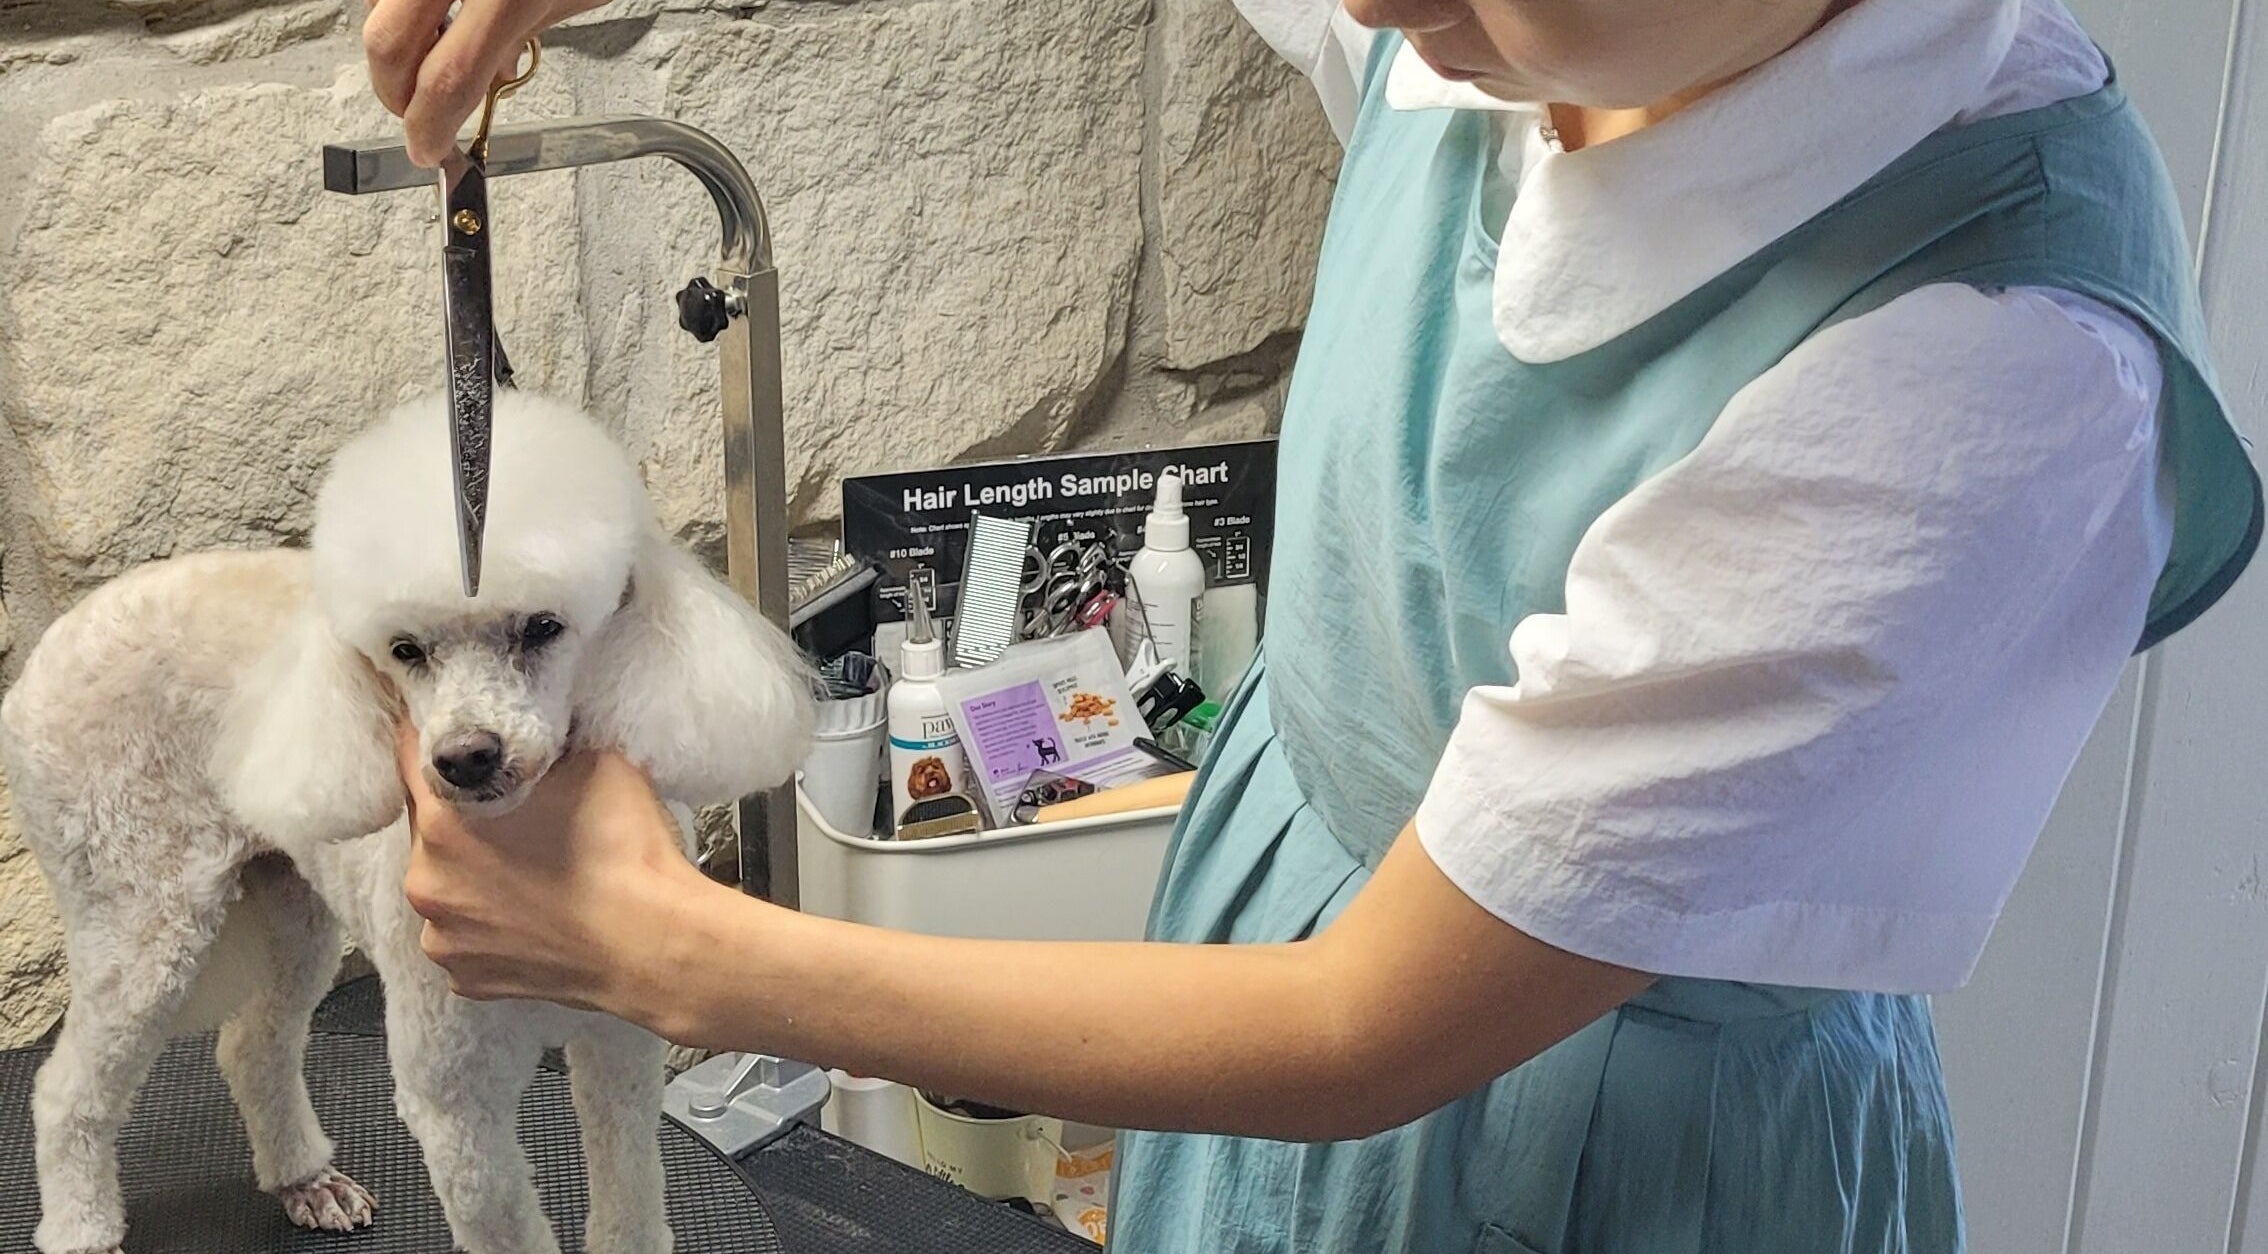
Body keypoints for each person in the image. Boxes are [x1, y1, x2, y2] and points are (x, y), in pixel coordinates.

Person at [365, 0, 2261, 1248]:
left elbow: (1365, 1024)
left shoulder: (1980, 382)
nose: (1362, 12)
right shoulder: (1526, 28)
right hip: (1270, 981)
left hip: (1580, 1149)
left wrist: (669, 948)